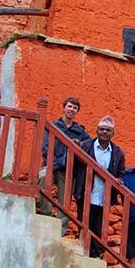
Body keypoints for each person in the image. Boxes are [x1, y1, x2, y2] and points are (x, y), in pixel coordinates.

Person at [72, 115, 125, 258]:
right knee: (83, 222)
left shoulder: (118, 153)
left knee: (98, 226)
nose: (104, 132)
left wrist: (119, 179)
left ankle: (95, 254)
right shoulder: (85, 146)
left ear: (113, 133)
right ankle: (83, 251)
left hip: (103, 196)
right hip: (85, 192)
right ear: (97, 131)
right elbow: (75, 165)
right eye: (102, 129)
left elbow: (121, 171)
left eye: (108, 130)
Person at [37, 97, 90, 232]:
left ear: (77, 112)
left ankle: (60, 230)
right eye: (70, 106)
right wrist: (61, 162)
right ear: (64, 108)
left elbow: (87, 148)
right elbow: (45, 149)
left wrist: (79, 145)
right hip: (52, 166)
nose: (71, 110)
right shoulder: (53, 127)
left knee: (65, 200)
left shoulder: (80, 132)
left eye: (75, 108)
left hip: (69, 171)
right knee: (43, 177)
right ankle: (46, 214)